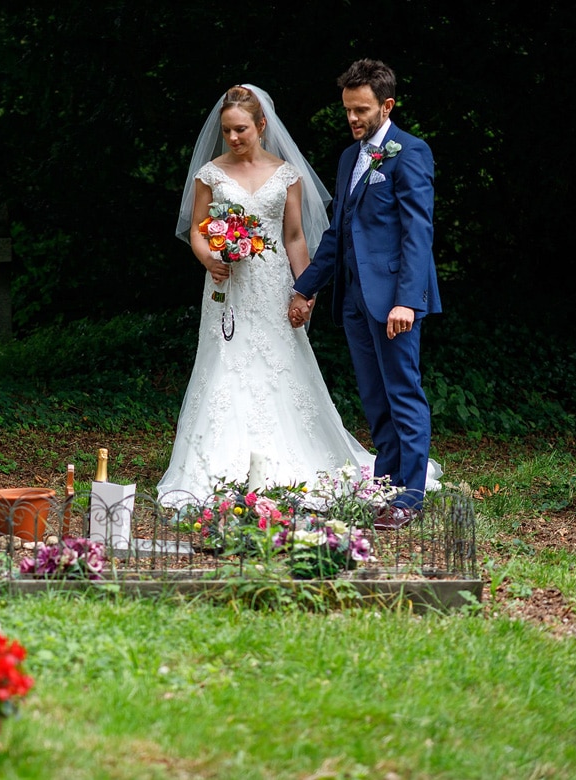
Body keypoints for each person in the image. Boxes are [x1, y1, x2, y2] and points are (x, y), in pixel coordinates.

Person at [157, 84, 393, 509]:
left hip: (272, 285)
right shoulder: (209, 173)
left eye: (241, 130)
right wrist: (209, 256)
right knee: (224, 366)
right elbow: (196, 227)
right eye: (227, 131)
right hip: (226, 285)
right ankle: (219, 462)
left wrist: (305, 290)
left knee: (280, 363)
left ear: (261, 126)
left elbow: (295, 236)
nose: (233, 138)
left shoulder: (286, 174)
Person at [288, 59, 441, 528]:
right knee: (375, 398)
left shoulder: (409, 152)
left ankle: (408, 500)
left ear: (386, 106)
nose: (353, 119)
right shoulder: (349, 158)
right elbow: (339, 232)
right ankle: (387, 485)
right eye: (348, 110)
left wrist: (407, 301)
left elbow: (418, 232)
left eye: (361, 110)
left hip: (394, 300)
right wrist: (304, 288)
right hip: (355, 301)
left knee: (403, 393)